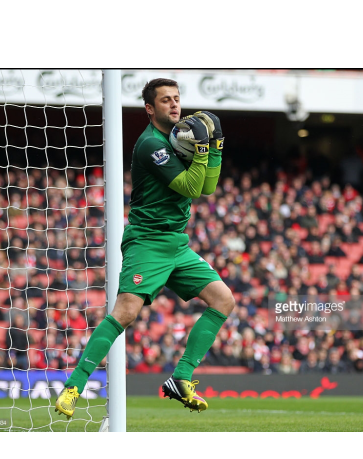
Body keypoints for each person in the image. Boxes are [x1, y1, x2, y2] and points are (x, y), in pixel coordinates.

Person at [55, 78, 234, 418]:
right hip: (148, 240)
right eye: (166, 100)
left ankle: (181, 378)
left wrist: (216, 148)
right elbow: (191, 188)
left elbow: (208, 187)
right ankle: (74, 386)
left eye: (177, 98)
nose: (175, 105)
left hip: (176, 242)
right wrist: (201, 151)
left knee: (224, 299)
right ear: (150, 108)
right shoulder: (150, 144)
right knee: (126, 312)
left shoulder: (177, 138)